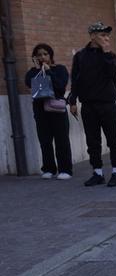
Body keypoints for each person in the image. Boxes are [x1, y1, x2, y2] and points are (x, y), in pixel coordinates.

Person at [67, 22, 116, 187]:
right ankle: (97, 172)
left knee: (113, 139)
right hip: (88, 105)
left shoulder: (110, 56)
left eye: (107, 35)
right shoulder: (80, 56)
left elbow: (113, 75)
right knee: (92, 141)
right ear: (92, 36)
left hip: (107, 103)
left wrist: (106, 54)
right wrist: (72, 100)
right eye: (102, 35)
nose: (106, 38)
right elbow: (76, 79)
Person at [24, 43, 73, 179]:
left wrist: (49, 71)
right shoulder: (34, 71)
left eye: (45, 54)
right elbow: (28, 82)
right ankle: (49, 168)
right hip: (40, 110)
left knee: (61, 140)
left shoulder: (60, 69)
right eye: (39, 55)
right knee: (45, 140)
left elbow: (60, 86)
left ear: (50, 55)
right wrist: (37, 69)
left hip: (56, 108)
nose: (42, 57)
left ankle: (65, 169)